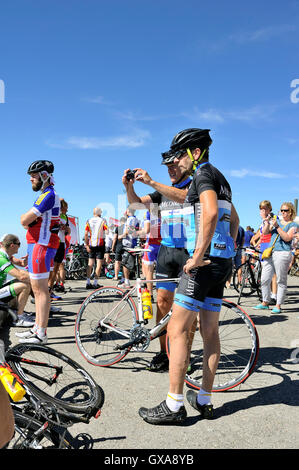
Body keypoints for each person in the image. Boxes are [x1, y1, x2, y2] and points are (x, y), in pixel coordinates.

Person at [138, 128, 239, 424]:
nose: (176, 161)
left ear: (196, 153)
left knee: (177, 330)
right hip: (221, 262)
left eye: (180, 155)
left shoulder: (203, 174)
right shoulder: (221, 178)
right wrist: (228, 250)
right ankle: (205, 399)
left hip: (204, 264)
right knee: (210, 333)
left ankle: (173, 405)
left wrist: (197, 254)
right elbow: (234, 219)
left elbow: (208, 213)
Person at [122, 149, 194, 372]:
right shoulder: (160, 193)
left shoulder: (193, 185)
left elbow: (184, 197)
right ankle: (163, 352)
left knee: (187, 310)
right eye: (168, 168)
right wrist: (129, 187)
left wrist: (152, 181)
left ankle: (185, 356)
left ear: (185, 164)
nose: (171, 170)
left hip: (188, 253)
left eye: (174, 166)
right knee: (162, 304)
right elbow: (135, 205)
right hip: (167, 251)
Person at [18, 160, 60, 344]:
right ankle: (37, 327)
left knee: (40, 290)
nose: (30, 179)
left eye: (33, 176)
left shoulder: (48, 195)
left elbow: (24, 220)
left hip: (41, 245)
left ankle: (41, 333)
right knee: (40, 289)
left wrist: (26, 219)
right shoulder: (47, 194)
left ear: (44, 175)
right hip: (41, 245)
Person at [253, 202, 298, 313]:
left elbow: (287, 238)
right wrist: (267, 222)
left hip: (282, 253)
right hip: (271, 252)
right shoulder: (275, 221)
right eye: (281, 210)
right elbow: (266, 232)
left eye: (285, 210)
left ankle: (278, 305)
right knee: (264, 278)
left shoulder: (293, 225)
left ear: (291, 211)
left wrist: (277, 227)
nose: (283, 212)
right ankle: (265, 301)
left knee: (280, 280)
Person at [0, 234, 34, 327]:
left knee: (23, 282)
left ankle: (16, 311)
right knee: (24, 286)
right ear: (12, 245)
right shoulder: (1, 258)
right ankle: (19, 318)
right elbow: (21, 275)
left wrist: (27, 260)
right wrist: (39, 280)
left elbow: (20, 266)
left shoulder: (6, 255)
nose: (19, 246)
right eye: (19, 244)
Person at [251, 200, 277, 305]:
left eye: (265, 209)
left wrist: (267, 220)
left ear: (270, 209)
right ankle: (269, 295)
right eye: (261, 209)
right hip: (264, 248)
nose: (263, 211)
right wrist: (257, 243)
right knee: (267, 274)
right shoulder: (263, 221)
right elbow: (262, 235)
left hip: (271, 247)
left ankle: (274, 296)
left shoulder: (273, 218)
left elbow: (268, 231)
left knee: (273, 274)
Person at [138, 209, 161, 299]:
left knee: (149, 271)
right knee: (161, 272)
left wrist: (135, 233)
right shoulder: (163, 211)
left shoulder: (148, 213)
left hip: (151, 245)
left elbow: (146, 230)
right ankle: (160, 295)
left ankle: (150, 294)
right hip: (162, 244)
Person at [49, 198, 70, 294]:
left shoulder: (65, 216)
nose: (67, 210)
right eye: (65, 208)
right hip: (53, 242)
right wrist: (59, 227)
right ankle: (48, 289)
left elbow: (67, 231)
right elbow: (50, 228)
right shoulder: (54, 214)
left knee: (57, 267)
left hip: (62, 243)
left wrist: (67, 229)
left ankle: (51, 289)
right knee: (51, 267)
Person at [84, 207, 107, 289]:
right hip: (100, 244)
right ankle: (95, 283)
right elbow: (107, 231)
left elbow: (86, 234)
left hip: (91, 244)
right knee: (99, 264)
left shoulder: (88, 221)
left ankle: (88, 282)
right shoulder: (103, 220)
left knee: (90, 264)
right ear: (99, 213)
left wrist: (86, 245)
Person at [117, 208, 140, 289]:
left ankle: (127, 282)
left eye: (126, 210)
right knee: (127, 263)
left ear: (128, 211)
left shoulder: (130, 219)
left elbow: (128, 231)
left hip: (129, 243)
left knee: (125, 264)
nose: (124, 212)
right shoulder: (135, 219)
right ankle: (125, 280)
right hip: (132, 242)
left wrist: (120, 236)